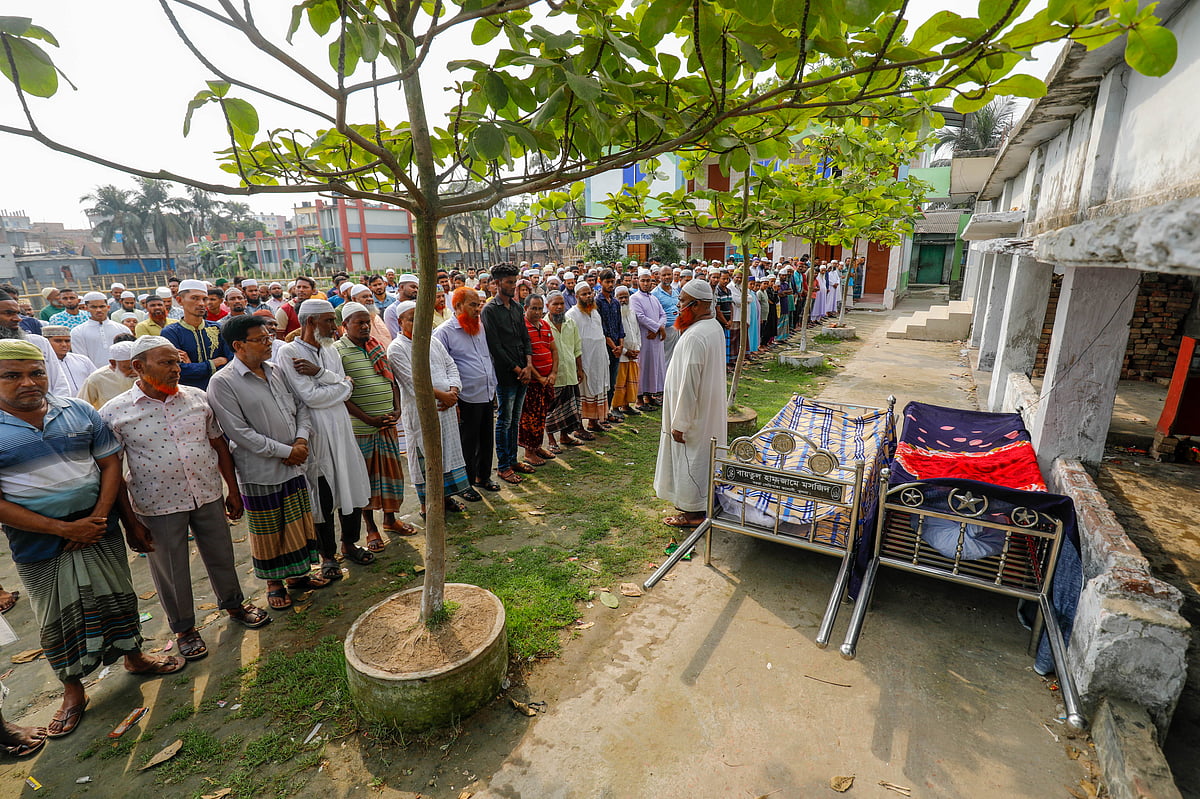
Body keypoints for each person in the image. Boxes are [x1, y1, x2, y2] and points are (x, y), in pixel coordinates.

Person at [0, 339, 186, 741]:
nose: (27, 383)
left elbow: (109, 461)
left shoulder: (77, 410)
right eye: (11, 375)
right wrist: (63, 529)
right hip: (39, 542)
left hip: (99, 527)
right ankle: (73, 690)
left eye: (35, 372)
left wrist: (101, 517)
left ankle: (135, 657)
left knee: (117, 594)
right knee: (58, 617)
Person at [100, 336, 270, 660]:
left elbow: (218, 444)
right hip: (157, 504)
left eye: (177, 362)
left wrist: (231, 489)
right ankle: (185, 628)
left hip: (206, 493)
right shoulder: (115, 412)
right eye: (166, 363)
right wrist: (131, 522)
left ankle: (234, 605)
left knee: (221, 554)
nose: (176, 369)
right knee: (171, 569)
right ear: (138, 367)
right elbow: (112, 471)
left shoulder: (197, 397)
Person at [207, 315, 328, 610]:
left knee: (297, 522)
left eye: (269, 337)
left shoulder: (275, 370)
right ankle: (274, 583)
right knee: (269, 529)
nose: (268, 343)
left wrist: (300, 441)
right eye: (261, 339)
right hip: (260, 469)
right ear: (238, 345)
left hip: (294, 460)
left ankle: (297, 576)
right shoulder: (222, 382)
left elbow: (300, 408)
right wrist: (285, 451)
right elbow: (239, 433)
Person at [277, 299, 372, 576]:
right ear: (310, 322)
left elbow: (348, 389)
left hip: (341, 428)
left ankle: (350, 544)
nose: (334, 326)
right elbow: (311, 397)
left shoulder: (331, 351)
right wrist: (339, 386)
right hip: (316, 433)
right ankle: (327, 554)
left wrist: (320, 374)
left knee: (350, 486)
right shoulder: (289, 352)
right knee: (324, 494)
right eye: (329, 320)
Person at [335, 302, 418, 547]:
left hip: (387, 425)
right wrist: (368, 418)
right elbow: (342, 395)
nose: (364, 327)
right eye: (358, 323)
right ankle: (371, 528)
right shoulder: (338, 351)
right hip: (362, 429)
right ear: (345, 326)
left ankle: (390, 520)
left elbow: (391, 382)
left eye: (366, 322)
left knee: (391, 476)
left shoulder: (377, 346)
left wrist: (397, 408)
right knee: (367, 481)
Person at [654, 278, 728, 528]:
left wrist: (680, 423)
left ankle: (692, 513)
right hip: (706, 411)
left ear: (697, 306)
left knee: (691, 460)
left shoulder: (697, 335)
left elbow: (689, 385)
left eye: (683, 301)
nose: (678, 305)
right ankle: (703, 504)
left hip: (693, 415)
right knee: (702, 459)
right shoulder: (713, 326)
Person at [388, 301, 473, 516]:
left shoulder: (433, 341)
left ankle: (446, 498)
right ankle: (428, 506)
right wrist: (444, 395)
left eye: (420, 318)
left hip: (446, 408)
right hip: (422, 413)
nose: (416, 323)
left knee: (446, 452)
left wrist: (454, 390)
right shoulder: (396, 348)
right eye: (410, 318)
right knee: (424, 456)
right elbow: (413, 382)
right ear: (400, 322)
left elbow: (450, 365)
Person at [433, 286, 500, 494]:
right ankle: (466, 485)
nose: (478, 309)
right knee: (467, 443)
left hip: (487, 392)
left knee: (486, 439)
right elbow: (442, 367)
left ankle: (483, 476)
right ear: (458, 305)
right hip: (465, 397)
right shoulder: (444, 332)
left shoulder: (480, 326)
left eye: (479, 304)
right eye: (473, 305)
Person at [481, 264, 533, 485]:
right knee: (504, 419)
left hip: (523, 371)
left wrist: (529, 365)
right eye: (509, 282)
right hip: (506, 374)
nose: (513, 286)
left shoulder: (516, 307)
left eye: (515, 281)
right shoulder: (490, 310)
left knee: (515, 418)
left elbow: (525, 337)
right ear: (496, 283)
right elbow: (495, 346)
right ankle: (503, 466)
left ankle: (512, 460)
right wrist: (517, 369)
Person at [160, 279, 233, 391]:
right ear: (180, 300)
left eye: (204, 299)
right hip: (188, 392)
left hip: (222, 389)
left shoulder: (218, 328)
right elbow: (177, 370)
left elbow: (231, 363)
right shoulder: (170, 332)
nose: (201, 303)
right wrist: (213, 364)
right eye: (195, 298)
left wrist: (193, 367)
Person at [518, 294, 559, 467]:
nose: (537, 312)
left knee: (542, 415)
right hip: (532, 383)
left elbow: (554, 350)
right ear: (525, 308)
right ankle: (529, 452)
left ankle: (538, 447)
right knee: (530, 418)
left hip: (546, 380)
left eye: (539, 308)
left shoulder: (545, 325)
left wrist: (553, 373)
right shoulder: (522, 327)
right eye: (533, 308)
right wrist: (539, 377)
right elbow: (525, 358)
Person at [565, 282, 611, 435]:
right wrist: (577, 365)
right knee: (582, 393)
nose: (588, 296)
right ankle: (579, 428)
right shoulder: (572, 314)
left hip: (598, 360)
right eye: (584, 294)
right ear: (577, 296)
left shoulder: (595, 312)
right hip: (583, 361)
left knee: (597, 390)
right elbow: (571, 341)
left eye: (589, 293)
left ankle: (594, 422)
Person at [544, 292, 586, 450]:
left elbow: (577, 348)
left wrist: (580, 370)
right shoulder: (543, 324)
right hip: (553, 375)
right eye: (555, 304)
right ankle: (551, 441)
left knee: (569, 408)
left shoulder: (570, 322)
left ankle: (564, 437)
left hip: (570, 372)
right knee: (551, 409)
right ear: (548, 306)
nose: (559, 307)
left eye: (562, 304)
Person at [631, 268, 666, 408]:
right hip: (644, 338)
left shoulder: (654, 298)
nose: (646, 283)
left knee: (654, 367)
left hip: (655, 339)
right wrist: (658, 328)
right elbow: (640, 317)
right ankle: (639, 400)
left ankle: (650, 396)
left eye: (648, 281)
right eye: (643, 280)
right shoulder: (634, 298)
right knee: (643, 367)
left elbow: (663, 315)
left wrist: (658, 328)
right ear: (638, 281)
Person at [594, 269, 625, 422]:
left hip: (617, 348)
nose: (610, 284)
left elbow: (620, 326)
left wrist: (621, 346)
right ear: (600, 282)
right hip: (605, 347)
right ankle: (601, 415)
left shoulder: (615, 302)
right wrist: (614, 347)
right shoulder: (597, 302)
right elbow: (602, 328)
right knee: (604, 382)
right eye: (607, 282)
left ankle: (607, 413)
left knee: (612, 382)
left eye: (612, 281)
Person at [70, 292, 126, 369]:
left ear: (108, 307)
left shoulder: (122, 329)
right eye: (94, 307)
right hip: (93, 376)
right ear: (86, 308)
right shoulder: (78, 332)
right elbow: (81, 360)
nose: (99, 310)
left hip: (121, 374)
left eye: (102, 306)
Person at [611, 286, 643, 417]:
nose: (624, 300)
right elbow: (614, 336)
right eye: (621, 298)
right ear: (615, 298)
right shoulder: (614, 313)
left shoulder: (632, 312)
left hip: (633, 354)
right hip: (622, 355)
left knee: (631, 381)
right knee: (620, 382)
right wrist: (625, 351)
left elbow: (637, 332)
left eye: (626, 297)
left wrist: (637, 348)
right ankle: (615, 407)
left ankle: (626, 406)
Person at [79, 340, 137, 410]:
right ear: (113, 363)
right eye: (129, 368)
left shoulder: (145, 374)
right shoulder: (96, 379)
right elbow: (80, 408)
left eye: (138, 366)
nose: (135, 372)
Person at [42, 325, 93, 396]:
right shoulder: (42, 364)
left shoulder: (83, 360)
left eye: (67, 341)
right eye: (58, 341)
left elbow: (96, 380)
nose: (64, 344)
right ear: (46, 342)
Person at [652, 266, 680, 368]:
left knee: (675, 358)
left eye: (669, 274)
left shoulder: (676, 291)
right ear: (659, 277)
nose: (667, 277)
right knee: (664, 359)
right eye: (664, 275)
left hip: (677, 329)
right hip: (664, 331)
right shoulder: (655, 294)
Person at [383, 273, 419, 338]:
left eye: (417, 288)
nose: (416, 290)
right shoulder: (391, 310)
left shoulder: (418, 307)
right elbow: (394, 337)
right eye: (413, 287)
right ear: (402, 287)